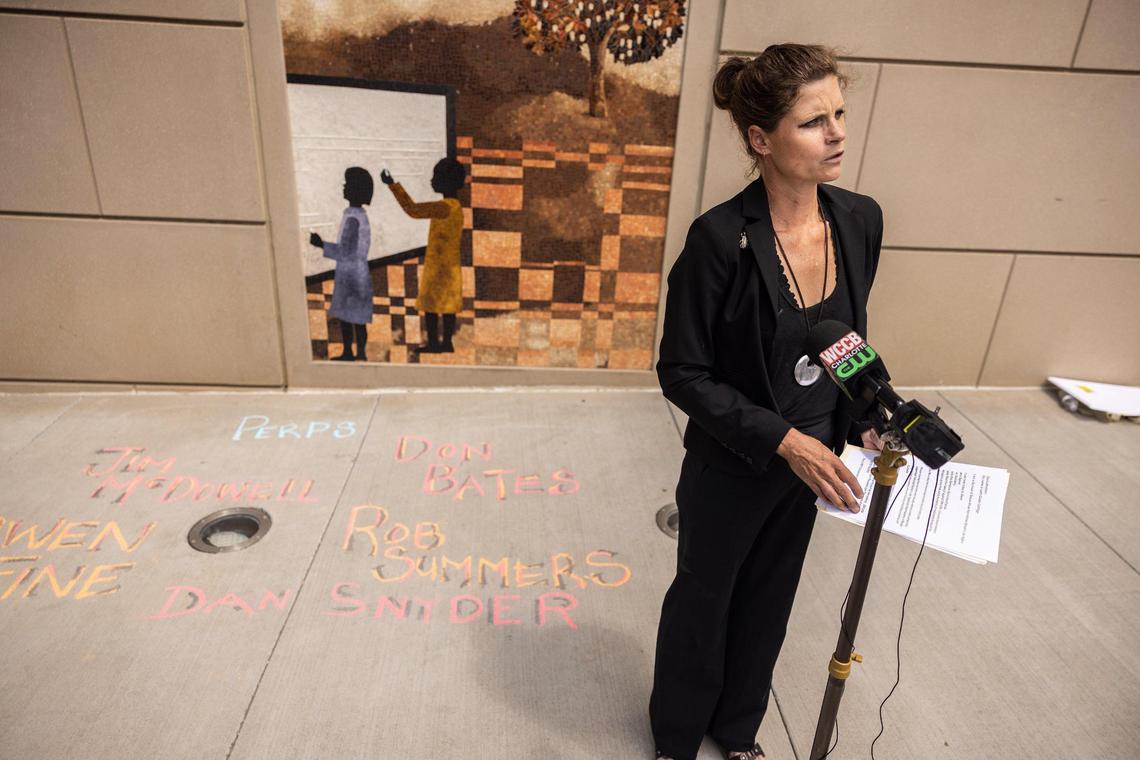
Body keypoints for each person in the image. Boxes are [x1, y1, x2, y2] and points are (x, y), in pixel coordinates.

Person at [649, 44, 885, 760]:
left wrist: (871, 412)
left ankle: (738, 731)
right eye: (814, 121)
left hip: (817, 461)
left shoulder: (859, 220)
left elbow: (844, 338)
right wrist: (785, 441)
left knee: (769, 603)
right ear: (761, 139)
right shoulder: (720, 241)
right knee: (704, 605)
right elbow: (682, 372)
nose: (838, 132)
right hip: (736, 461)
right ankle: (678, 738)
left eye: (840, 113)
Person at [380, 158, 467, 354]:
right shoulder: (455, 206)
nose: (431, 181)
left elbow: (413, 209)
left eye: (435, 177)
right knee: (447, 307)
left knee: (431, 306)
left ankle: (436, 343)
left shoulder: (444, 206)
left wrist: (392, 185)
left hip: (438, 268)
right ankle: (446, 343)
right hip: (450, 267)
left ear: (445, 181)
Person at [310, 166, 374, 361]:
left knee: (348, 316)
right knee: (356, 318)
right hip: (358, 273)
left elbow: (345, 251)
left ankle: (352, 352)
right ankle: (358, 353)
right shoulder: (357, 215)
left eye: (347, 184)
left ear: (354, 189)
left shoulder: (353, 218)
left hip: (350, 275)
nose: (344, 187)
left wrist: (321, 244)